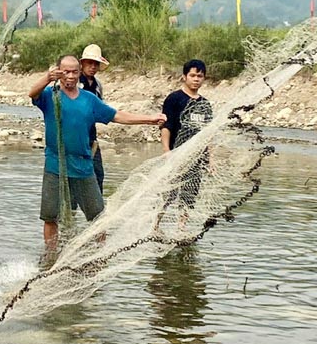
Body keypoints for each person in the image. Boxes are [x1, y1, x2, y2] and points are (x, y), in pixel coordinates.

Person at [30, 54, 166, 248]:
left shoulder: (89, 99)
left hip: (83, 167)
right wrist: (47, 78)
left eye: (74, 72)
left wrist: (149, 119)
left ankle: (98, 255)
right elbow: (32, 94)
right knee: (50, 216)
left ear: (79, 73)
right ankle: (50, 257)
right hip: (55, 165)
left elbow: (117, 116)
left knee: (98, 217)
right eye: (65, 71)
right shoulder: (50, 96)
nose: (70, 76)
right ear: (59, 72)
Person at [161, 59, 214, 210]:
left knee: (189, 194)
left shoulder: (204, 104)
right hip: (176, 153)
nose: (196, 79)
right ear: (184, 77)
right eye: (192, 75)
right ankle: (155, 226)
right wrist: (166, 151)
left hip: (196, 157)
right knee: (168, 193)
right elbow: (166, 126)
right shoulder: (174, 99)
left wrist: (210, 159)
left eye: (200, 76)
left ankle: (181, 228)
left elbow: (208, 133)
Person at [79, 43, 110, 191]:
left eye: (95, 64)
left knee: (98, 175)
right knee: (74, 179)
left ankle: (97, 211)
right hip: (75, 137)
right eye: (89, 63)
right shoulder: (75, 82)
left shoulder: (98, 86)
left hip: (91, 137)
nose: (92, 67)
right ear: (82, 64)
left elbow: (99, 108)